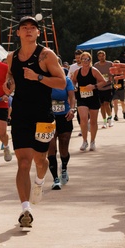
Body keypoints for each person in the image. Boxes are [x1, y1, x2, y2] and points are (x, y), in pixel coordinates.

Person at [3, 16, 67, 228]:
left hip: (43, 115)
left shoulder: (47, 55)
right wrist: (8, 84)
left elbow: (61, 82)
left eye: (33, 28)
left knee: (41, 160)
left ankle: (39, 182)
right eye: (24, 28)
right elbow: (10, 77)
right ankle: (25, 209)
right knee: (23, 162)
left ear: (38, 33)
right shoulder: (11, 57)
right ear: (18, 33)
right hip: (20, 114)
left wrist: (37, 78)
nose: (29, 31)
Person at [70, 51, 107, 151]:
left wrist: (94, 86)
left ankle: (92, 141)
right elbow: (73, 80)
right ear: (80, 60)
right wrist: (74, 87)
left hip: (93, 98)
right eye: (83, 59)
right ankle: (84, 141)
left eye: (87, 59)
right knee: (83, 119)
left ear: (90, 60)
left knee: (93, 121)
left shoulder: (94, 70)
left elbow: (103, 81)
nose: (85, 61)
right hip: (81, 98)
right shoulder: (77, 71)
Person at [48, 61, 77, 189]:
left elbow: (72, 97)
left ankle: (64, 168)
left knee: (64, 147)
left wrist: (72, 109)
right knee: (51, 147)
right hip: (48, 117)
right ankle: (55, 179)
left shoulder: (66, 80)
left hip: (64, 116)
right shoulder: (44, 81)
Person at [93, 50, 114, 128]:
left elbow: (114, 73)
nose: (101, 57)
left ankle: (110, 119)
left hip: (108, 87)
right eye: (100, 56)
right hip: (99, 88)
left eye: (103, 56)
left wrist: (112, 77)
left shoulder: (110, 64)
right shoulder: (96, 65)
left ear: (105, 56)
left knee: (107, 104)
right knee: (101, 105)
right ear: (98, 57)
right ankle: (104, 121)